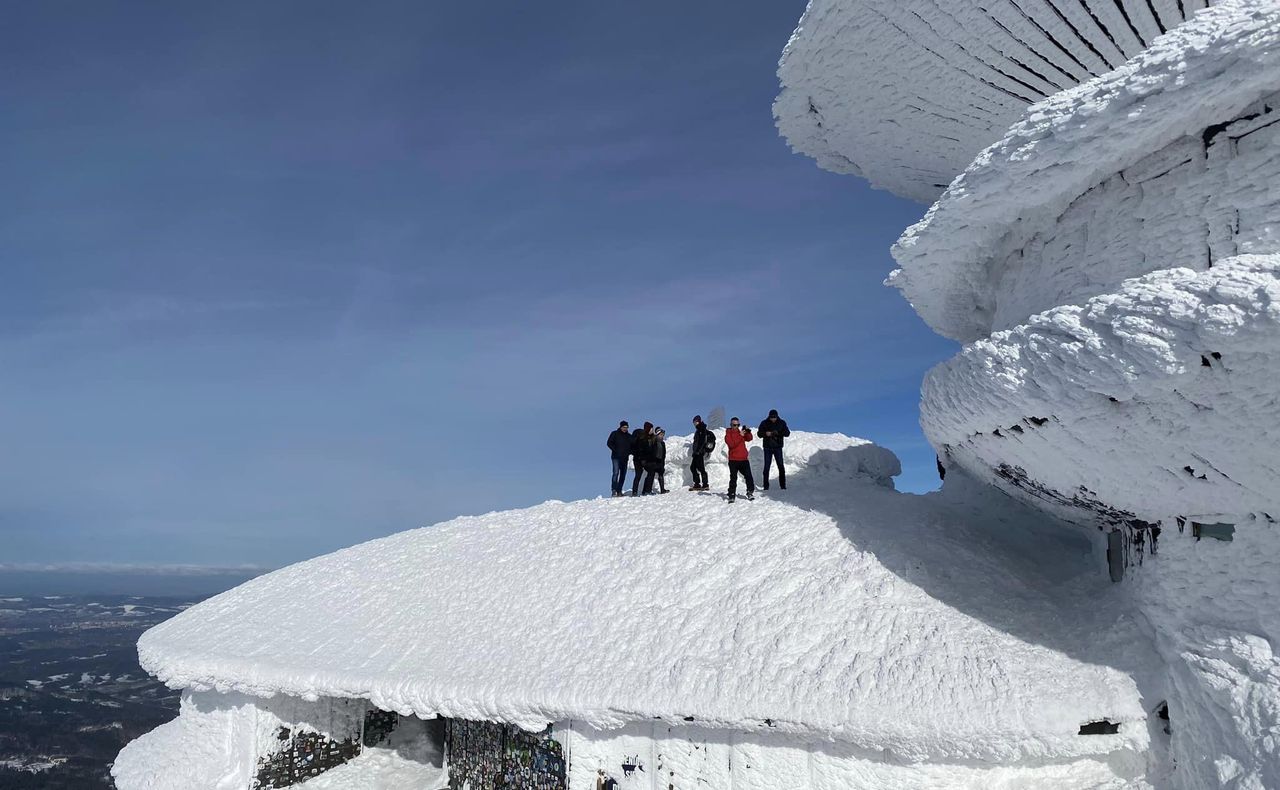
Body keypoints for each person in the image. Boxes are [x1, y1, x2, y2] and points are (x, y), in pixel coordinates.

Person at [757, 409, 791, 490]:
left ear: (777, 416)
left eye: (774, 417)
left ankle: (783, 486)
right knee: (766, 467)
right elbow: (759, 434)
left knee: (781, 466)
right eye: (771, 417)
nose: (773, 419)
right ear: (769, 416)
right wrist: (765, 433)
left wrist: (778, 433)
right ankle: (766, 486)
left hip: (778, 448)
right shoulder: (764, 423)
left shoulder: (782, 422)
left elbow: (787, 433)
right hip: (767, 448)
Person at [723, 416, 755, 501]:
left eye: (738, 425)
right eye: (734, 425)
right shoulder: (728, 434)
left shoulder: (741, 432)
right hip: (733, 460)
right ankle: (732, 494)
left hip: (744, 459)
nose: (736, 427)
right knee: (733, 478)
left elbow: (749, 438)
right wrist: (740, 436)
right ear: (731, 425)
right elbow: (731, 445)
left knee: (748, 476)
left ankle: (750, 492)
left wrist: (748, 432)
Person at [606, 421, 633, 497]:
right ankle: (614, 490)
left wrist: (629, 452)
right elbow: (609, 443)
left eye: (626, 427)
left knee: (623, 475)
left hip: (624, 458)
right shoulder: (614, 434)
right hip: (616, 457)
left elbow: (632, 446)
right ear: (620, 427)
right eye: (624, 427)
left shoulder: (629, 436)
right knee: (616, 473)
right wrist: (615, 450)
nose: (625, 429)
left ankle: (619, 490)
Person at [688, 415, 715, 490]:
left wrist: (698, 451)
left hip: (699, 452)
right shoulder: (699, 429)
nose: (695, 424)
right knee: (693, 467)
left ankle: (705, 484)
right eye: (694, 423)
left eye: (695, 422)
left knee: (700, 468)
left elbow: (702, 441)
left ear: (699, 421)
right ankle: (697, 484)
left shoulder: (701, 429)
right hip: (696, 453)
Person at [643, 427, 668, 494]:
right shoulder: (653, 441)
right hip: (653, 461)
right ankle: (647, 490)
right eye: (661, 434)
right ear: (657, 434)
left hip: (660, 461)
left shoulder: (662, 443)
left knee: (661, 474)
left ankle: (662, 490)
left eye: (663, 435)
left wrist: (663, 462)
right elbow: (649, 451)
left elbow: (663, 453)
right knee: (651, 475)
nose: (662, 436)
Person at [631, 422, 652, 496]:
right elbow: (641, 449)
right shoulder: (643, 437)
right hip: (641, 459)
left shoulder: (643, 436)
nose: (652, 430)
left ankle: (635, 492)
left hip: (636, 459)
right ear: (648, 428)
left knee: (638, 475)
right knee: (650, 472)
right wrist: (643, 459)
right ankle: (645, 491)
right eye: (651, 428)